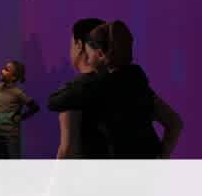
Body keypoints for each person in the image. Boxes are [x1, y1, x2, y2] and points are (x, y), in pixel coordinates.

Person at [48, 21, 183, 158]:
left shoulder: (92, 87)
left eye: (90, 54)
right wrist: (161, 158)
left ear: (100, 54)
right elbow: (174, 123)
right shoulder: (137, 83)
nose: (88, 59)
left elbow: (67, 147)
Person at [54, 18, 107, 159]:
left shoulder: (75, 92)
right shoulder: (127, 83)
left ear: (78, 44)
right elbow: (172, 123)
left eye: (71, 44)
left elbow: (67, 149)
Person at [0, 60, 39, 159]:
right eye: (3, 68)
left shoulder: (18, 93)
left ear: (13, 77)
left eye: (6, 70)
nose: (2, 71)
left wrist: (21, 117)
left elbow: (34, 107)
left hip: (11, 136)